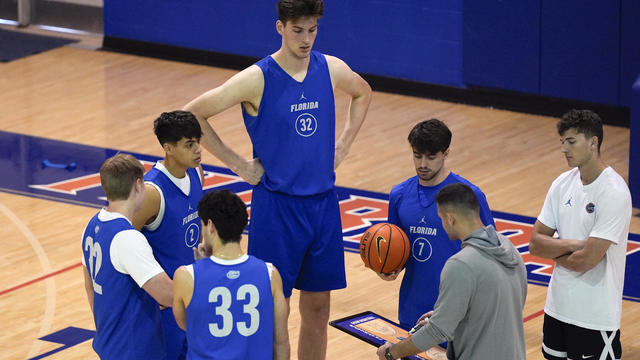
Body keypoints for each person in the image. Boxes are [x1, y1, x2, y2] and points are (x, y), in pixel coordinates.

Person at [183, 1, 372, 358]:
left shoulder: (330, 68)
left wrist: (343, 145)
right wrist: (239, 165)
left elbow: (363, 92)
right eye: (298, 30)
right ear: (280, 28)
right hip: (278, 209)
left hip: (323, 206)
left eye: (313, 30)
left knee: (318, 310)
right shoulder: (257, 77)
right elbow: (194, 113)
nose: (306, 39)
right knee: (273, 311)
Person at [376, 183, 527, 360]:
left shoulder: (461, 264)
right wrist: (450, 312)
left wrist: (391, 352)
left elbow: (436, 332)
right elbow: (506, 304)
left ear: (450, 219)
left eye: (440, 218)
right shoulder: (509, 248)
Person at [529, 109, 632, 360]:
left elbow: (587, 261)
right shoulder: (562, 183)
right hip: (556, 309)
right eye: (562, 142)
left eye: (572, 141)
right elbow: (534, 244)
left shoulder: (614, 193)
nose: (564, 149)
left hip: (594, 319)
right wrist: (575, 245)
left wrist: (555, 251)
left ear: (593, 142)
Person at [380, 119, 494, 330]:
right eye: (417, 155)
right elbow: (397, 247)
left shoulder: (469, 196)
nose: (423, 164)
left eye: (431, 157)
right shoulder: (399, 195)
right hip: (412, 309)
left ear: (446, 153)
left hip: (459, 313)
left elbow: (491, 254)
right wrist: (389, 267)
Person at [172, 190, 290, 359]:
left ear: (210, 226)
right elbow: (281, 342)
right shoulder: (270, 273)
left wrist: (203, 267)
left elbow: (187, 324)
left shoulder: (185, 276)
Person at [81, 153, 173, 359]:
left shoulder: (91, 225)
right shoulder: (127, 238)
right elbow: (167, 295)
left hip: (110, 344)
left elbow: (89, 285)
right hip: (134, 350)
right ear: (139, 185)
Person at [131, 110, 204, 360]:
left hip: (192, 298)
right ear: (168, 148)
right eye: (189, 144)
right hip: (162, 308)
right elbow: (124, 244)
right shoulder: (152, 192)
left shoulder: (197, 173)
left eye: (198, 142)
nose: (198, 150)